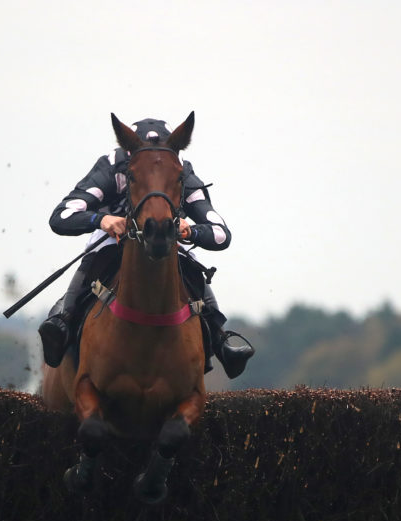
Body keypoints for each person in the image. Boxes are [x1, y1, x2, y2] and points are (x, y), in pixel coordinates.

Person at [38, 116, 254, 379]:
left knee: (189, 264)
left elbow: (221, 234)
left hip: (164, 237)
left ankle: (221, 340)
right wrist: (102, 219)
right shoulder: (112, 164)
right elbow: (61, 217)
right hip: (113, 240)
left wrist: (192, 230)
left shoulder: (180, 169)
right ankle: (62, 320)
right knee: (96, 254)